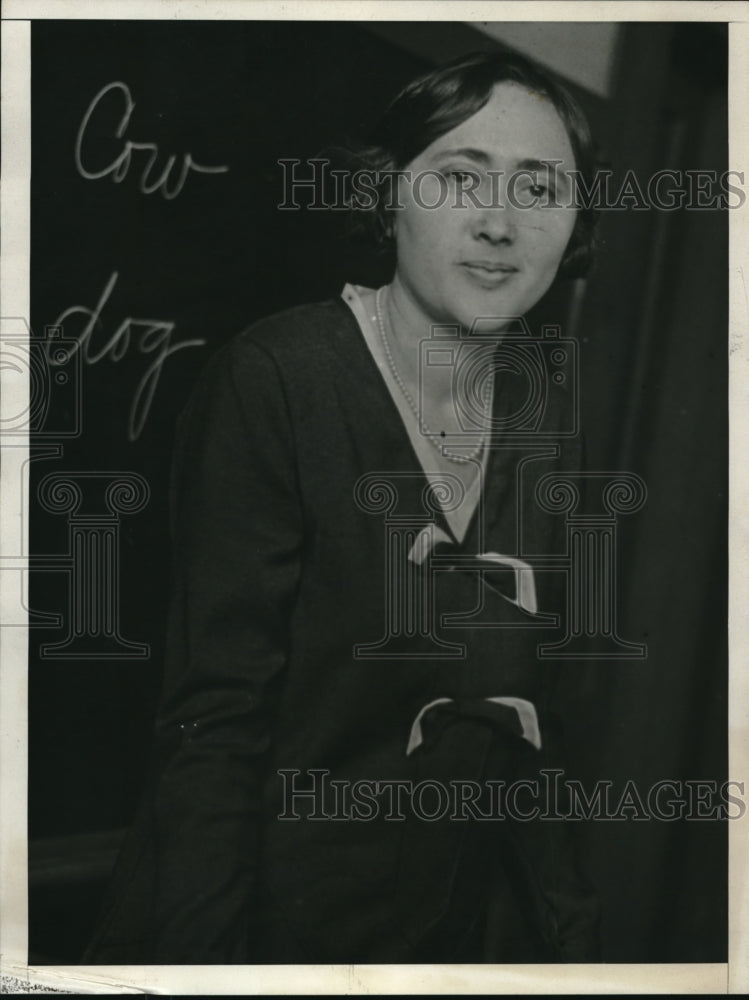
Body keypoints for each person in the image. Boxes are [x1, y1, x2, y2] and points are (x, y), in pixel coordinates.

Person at [86, 49, 600, 965]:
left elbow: (534, 728)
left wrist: (573, 949)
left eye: (539, 188)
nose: (497, 223)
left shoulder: (543, 414)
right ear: (385, 196)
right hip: (251, 938)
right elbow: (215, 728)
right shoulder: (280, 379)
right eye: (457, 179)